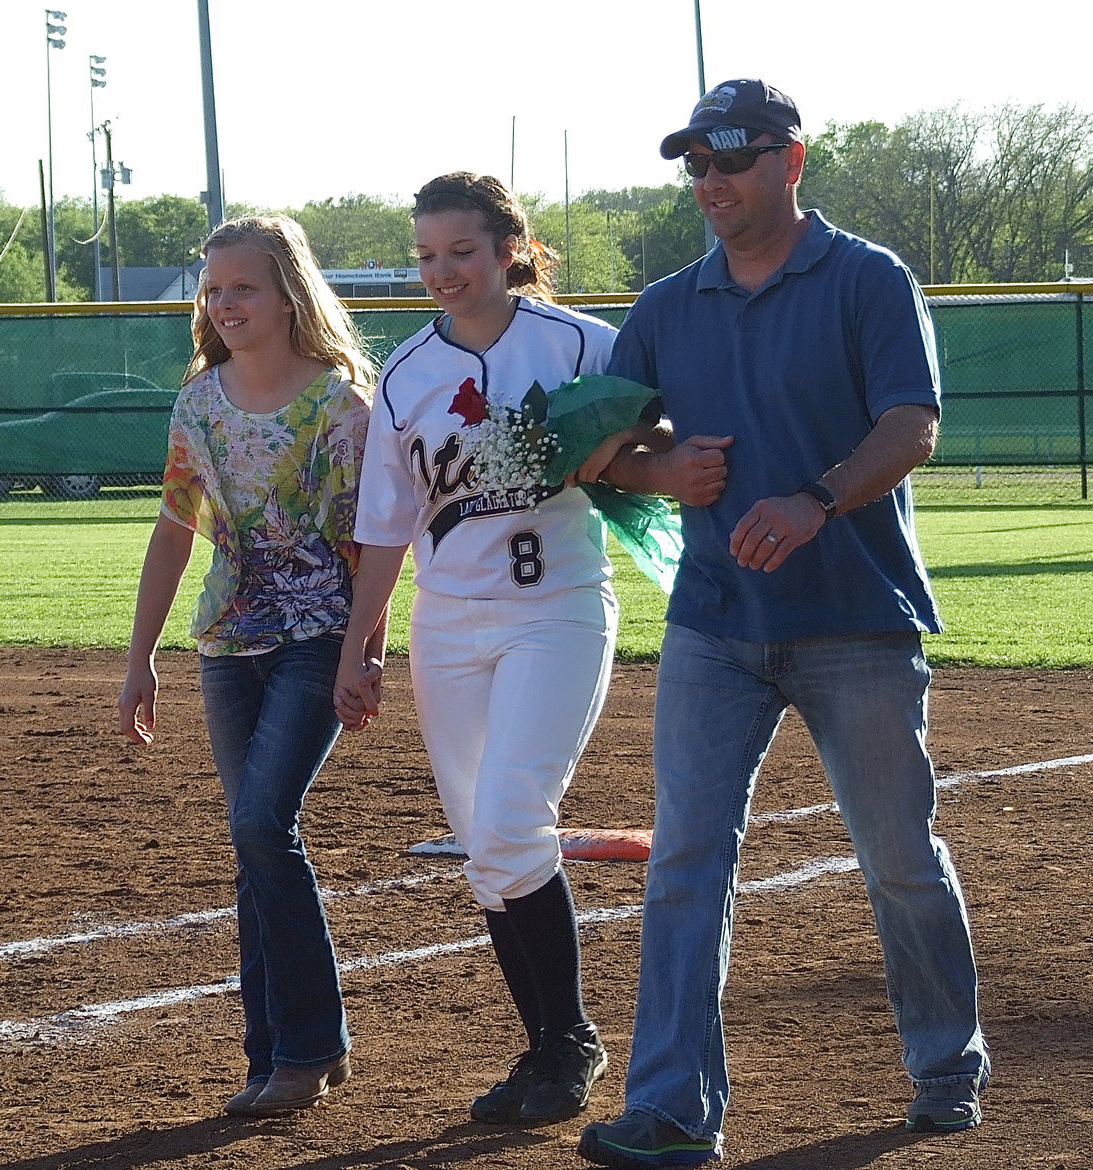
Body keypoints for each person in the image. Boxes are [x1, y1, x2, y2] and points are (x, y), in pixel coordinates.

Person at [577, 80, 990, 1168]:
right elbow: (607, 450)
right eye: (696, 165)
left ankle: (948, 1063)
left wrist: (814, 499)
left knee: (898, 855)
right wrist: (667, 469)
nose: (711, 182)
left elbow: (912, 425)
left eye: (734, 159)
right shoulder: (667, 305)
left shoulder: (866, 279)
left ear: (791, 161)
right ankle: (671, 1108)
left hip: (857, 618)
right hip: (716, 625)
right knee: (685, 865)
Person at [334, 172, 639, 1128]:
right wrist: (361, 646)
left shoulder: (583, 341)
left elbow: (654, 446)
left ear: (509, 248)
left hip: (557, 610)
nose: (442, 271)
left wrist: (627, 446)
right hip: (449, 623)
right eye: (426, 255)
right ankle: (551, 1048)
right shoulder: (408, 373)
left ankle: (571, 1042)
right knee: (486, 849)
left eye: (461, 251)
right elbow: (385, 523)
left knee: (512, 820)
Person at [118, 214, 383, 1118]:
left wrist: (365, 651)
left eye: (242, 288)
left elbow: (370, 545)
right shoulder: (198, 402)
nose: (224, 304)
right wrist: (141, 657)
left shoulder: (342, 408)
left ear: (287, 295)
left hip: (318, 638)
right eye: (213, 291)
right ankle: (283, 1049)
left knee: (265, 822)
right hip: (227, 643)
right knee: (253, 841)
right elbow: (175, 528)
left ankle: (302, 1049)